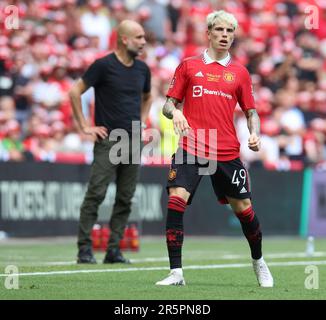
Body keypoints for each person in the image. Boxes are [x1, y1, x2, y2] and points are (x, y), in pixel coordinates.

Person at [155, 10, 274, 287]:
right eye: (219, 30)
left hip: (226, 151)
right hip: (192, 146)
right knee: (176, 199)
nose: (225, 35)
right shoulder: (188, 66)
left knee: (244, 209)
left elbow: (251, 111)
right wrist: (177, 113)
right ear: (208, 33)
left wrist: (255, 133)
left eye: (230, 31)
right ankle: (176, 272)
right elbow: (167, 105)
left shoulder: (240, 73)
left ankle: (258, 261)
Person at [69, 20, 152, 264]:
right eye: (138, 37)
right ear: (124, 39)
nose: (143, 41)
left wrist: (143, 121)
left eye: (144, 37)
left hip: (133, 140)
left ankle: (113, 250)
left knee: (126, 197)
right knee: (96, 194)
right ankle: (84, 249)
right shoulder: (103, 66)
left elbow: (147, 97)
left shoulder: (142, 69)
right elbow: (75, 92)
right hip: (108, 140)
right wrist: (84, 126)